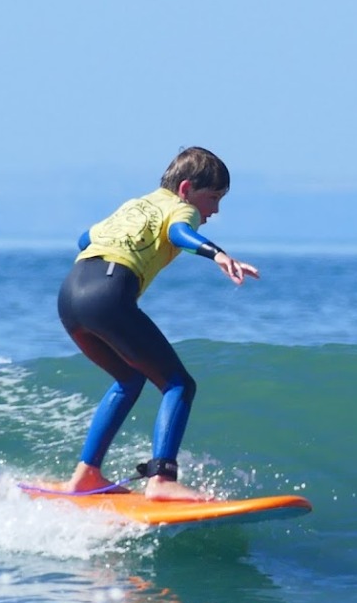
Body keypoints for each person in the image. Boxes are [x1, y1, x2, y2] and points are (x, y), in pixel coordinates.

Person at [54, 146, 260, 501]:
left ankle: (85, 475)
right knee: (179, 384)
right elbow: (181, 232)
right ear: (185, 189)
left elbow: (84, 239)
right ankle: (162, 479)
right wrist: (218, 254)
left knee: (130, 378)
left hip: (70, 297)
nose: (214, 211)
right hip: (107, 294)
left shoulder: (134, 205)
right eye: (212, 198)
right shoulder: (181, 209)